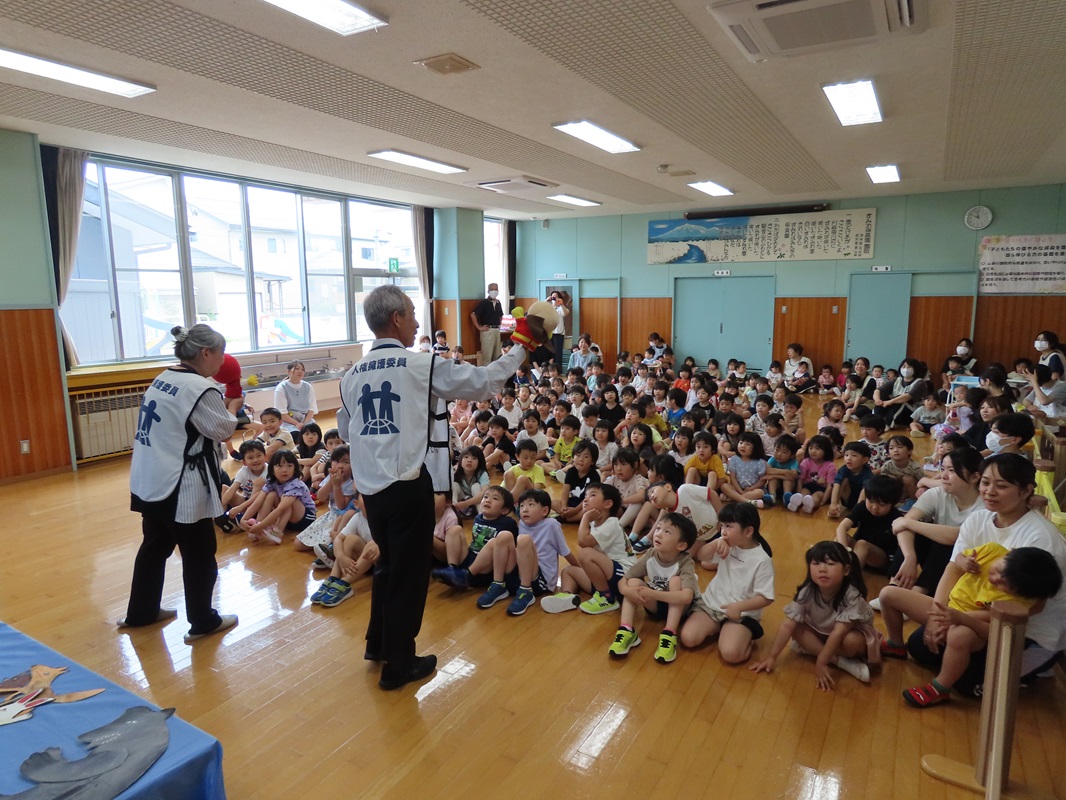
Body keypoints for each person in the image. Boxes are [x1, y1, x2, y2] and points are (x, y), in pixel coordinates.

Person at [338, 284, 546, 690]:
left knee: (387, 566)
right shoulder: (419, 365)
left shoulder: (350, 374)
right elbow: (484, 382)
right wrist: (520, 345)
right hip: (406, 485)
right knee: (409, 574)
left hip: (371, 493)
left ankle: (378, 644)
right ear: (396, 318)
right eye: (413, 313)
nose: (417, 321)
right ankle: (398, 664)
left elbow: (348, 430)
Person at [903, 454, 1066, 694]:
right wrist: (939, 617)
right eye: (985, 483)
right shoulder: (979, 519)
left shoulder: (1040, 539)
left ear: (1025, 491)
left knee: (965, 682)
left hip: (1029, 631)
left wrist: (959, 619)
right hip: (980, 614)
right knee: (920, 647)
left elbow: (1030, 608)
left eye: (1001, 486)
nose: (989, 491)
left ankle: (1037, 663)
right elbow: (953, 568)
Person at [121, 323, 239, 644]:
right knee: (200, 552)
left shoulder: (164, 378)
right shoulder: (200, 389)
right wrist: (236, 409)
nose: (223, 359)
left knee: (155, 546)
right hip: (180, 484)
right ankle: (203, 621)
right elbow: (223, 430)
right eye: (220, 352)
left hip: (150, 477)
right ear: (205, 353)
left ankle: (141, 613)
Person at [881, 544, 1062, 708]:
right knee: (889, 594)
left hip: (972, 625)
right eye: (998, 570)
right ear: (1010, 552)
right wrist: (964, 561)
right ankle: (896, 644)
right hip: (949, 607)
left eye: (1004, 586)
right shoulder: (992, 550)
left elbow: (993, 630)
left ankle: (940, 688)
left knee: (959, 635)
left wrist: (960, 618)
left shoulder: (1022, 600)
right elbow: (958, 558)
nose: (994, 579)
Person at [750, 541, 879, 690]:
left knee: (852, 641)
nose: (822, 569)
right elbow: (787, 625)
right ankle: (841, 663)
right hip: (821, 632)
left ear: (846, 570)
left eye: (830, 564)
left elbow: (839, 632)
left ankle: (814, 649)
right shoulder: (808, 591)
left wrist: (821, 662)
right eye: (816, 563)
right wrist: (772, 657)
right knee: (795, 626)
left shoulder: (852, 596)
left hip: (843, 636)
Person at [679, 503, 775, 664]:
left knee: (732, 654)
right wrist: (715, 543)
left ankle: (745, 636)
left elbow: (766, 598)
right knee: (688, 638)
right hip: (712, 603)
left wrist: (739, 607)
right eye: (722, 525)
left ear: (748, 531)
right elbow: (701, 556)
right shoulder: (726, 544)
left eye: (729, 526)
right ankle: (719, 627)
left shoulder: (762, 560)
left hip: (741, 613)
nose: (723, 531)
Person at [890, 446, 984, 597]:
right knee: (916, 535)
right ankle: (895, 585)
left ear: (975, 477)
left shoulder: (985, 504)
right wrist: (910, 557)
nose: (944, 476)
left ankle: (918, 593)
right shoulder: (937, 494)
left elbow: (956, 536)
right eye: (943, 469)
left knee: (945, 543)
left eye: (952, 470)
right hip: (936, 564)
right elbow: (902, 527)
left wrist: (907, 522)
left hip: (966, 568)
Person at [608, 512, 699, 664]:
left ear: (681, 545)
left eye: (667, 531)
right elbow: (624, 580)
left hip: (680, 609)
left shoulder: (685, 562)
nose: (658, 534)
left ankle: (669, 634)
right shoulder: (650, 554)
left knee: (675, 581)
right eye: (658, 529)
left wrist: (653, 593)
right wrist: (627, 591)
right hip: (655, 606)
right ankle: (626, 630)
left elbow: (686, 597)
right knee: (633, 583)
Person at [475, 489, 578, 616]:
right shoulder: (522, 524)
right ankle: (498, 584)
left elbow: (565, 551)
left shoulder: (551, 524)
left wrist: (579, 568)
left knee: (523, 540)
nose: (524, 509)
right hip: (520, 574)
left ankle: (526, 592)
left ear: (544, 511)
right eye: (522, 505)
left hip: (541, 581)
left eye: (531, 505)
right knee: (504, 536)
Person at [274, 360, 318, 435]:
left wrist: (304, 423)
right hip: (288, 421)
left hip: (305, 419)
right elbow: (282, 413)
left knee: (314, 433)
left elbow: (311, 409)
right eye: (297, 369)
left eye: (302, 370)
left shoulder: (308, 387)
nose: (300, 371)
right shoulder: (281, 388)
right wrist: (297, 424)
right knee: (295, 436)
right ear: (288, 371)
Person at [470, 282, 504, 364]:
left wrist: (500, 325)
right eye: (492, 289)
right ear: (488, 291)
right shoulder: (484, 303)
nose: (494, 291)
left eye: (496, 289)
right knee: (487, 356)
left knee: (497, 356)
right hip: (488, 330)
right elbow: (473, 315)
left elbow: (500, 315)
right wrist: (479, 327)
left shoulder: (498, 303)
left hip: (496, 330)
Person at [549, 290, 569, 366]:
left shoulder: (561, 307)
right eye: (553, 297)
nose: (554, 298)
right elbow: (542, 310)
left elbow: (566, 313)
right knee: (550, 352)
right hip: (550, 333)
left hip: (559, 333)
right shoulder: (548, 306)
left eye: (556, 297)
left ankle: (558, 370)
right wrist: (547, 300)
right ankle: (549, 370)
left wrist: (561, 304)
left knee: (558, 353)